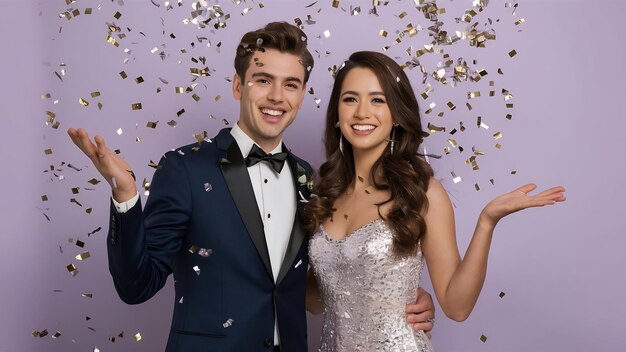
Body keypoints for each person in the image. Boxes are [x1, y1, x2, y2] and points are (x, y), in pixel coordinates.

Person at [67, 23, 435, 352]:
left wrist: (394, 297)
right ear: (238, 85)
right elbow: (136, 287)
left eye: (290, 84)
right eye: (263, 80)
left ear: (302, 95)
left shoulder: (310, 180)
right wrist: (126, 196)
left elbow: (325, 277)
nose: (277, 96)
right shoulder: (186, 169)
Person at [303, 51, 566, 351]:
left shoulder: (421, 192)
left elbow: (456, 307)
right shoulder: (324, 193)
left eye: (378, 100)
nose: (362, 112)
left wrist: (486, 222)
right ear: (337, 112)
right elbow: (313, 299)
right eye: (350, 99)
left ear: (397, 114)